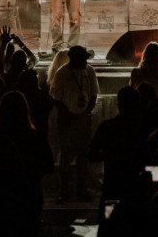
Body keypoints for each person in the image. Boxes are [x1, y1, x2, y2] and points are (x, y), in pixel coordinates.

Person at [49, 45, 99, 201]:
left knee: (83, 157)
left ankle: (81, 189)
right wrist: (72, 117)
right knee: (66, 157)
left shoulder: (90, 71)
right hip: (67, 121)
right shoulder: (62, 73)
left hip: (83, 120)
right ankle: (64, 190)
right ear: (74, 59)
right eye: (83, 59)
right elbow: (57, 100)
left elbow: (93, 96)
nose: (86, 62)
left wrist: (85, 114)